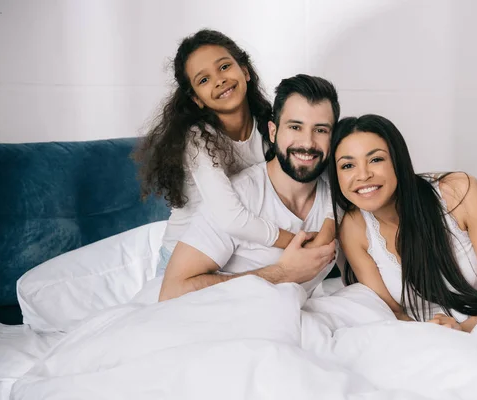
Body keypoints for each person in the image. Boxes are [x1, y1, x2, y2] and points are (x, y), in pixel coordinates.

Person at [134, 30, 335, 276]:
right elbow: (230, 218)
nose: (219, 80)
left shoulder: (265, 126)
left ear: (245, 71)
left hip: (233, 257)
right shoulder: (198, 140)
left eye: (225, 67)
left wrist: (326, 230)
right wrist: (296, 242)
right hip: (185, 261)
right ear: (196, 98)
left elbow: (321, 171)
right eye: (204, 80)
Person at [329, 114, 477, 332]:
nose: (363, 175)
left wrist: (461, 329)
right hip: (420, 338)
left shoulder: (458, 192)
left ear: (397, 161)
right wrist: (431, 333)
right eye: (347, 166)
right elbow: (393, 314)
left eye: (376, 159)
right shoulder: (353, 227)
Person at [159, 74, 340, 301]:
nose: (307, 143)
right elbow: (171, 291)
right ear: (273, 132)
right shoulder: (240, 196)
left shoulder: (340, 191)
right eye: (295, 127)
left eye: (321, 130)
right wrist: (281, 273)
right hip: (218, 322)